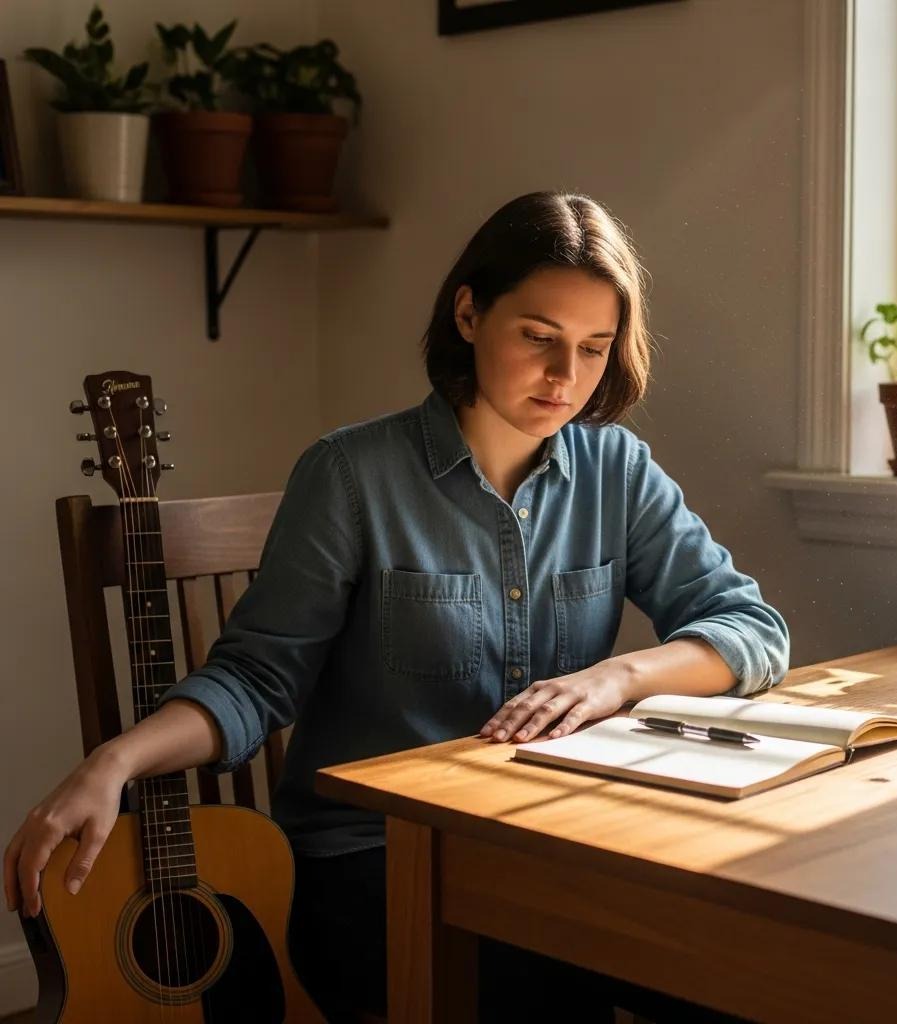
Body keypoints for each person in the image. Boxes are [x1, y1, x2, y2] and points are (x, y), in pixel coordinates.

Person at [4, 191, 789, 1022]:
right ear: (468, 313)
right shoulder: (348, 475)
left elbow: (750, 631)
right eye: (539, 338)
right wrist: (112, 764)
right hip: (367, 862)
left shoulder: (617, 470)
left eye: (594, 349)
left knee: (736, 968)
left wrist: (616, 677)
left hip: (545, 847)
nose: (566, 378)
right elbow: (257, 679)